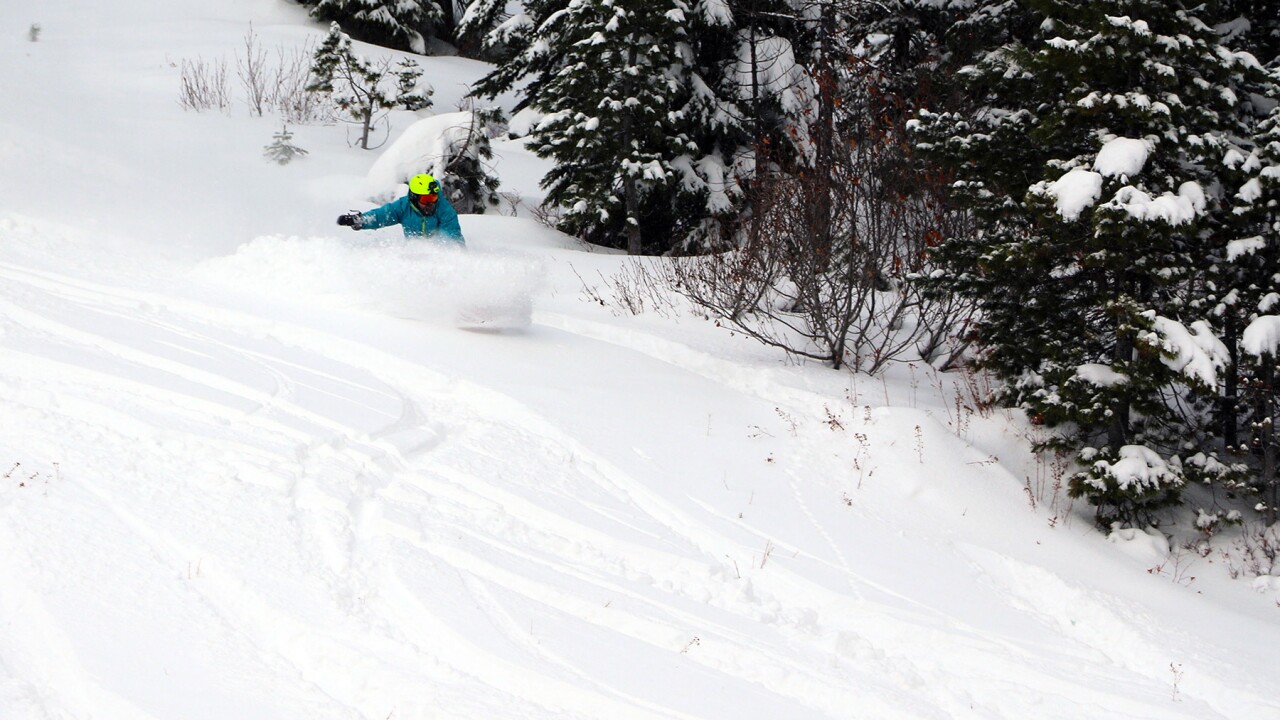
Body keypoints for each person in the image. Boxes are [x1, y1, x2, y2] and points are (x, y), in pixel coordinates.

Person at [337, 173, 465, 245]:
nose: (431, 203)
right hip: (414, 256)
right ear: (414, 197)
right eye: (426, 199)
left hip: (438, 259)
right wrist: (359, 220)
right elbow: (382, 215)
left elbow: (453, 237)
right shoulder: (403, 207)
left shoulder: (444, 210)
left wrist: (454, 258)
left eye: (433, 198)